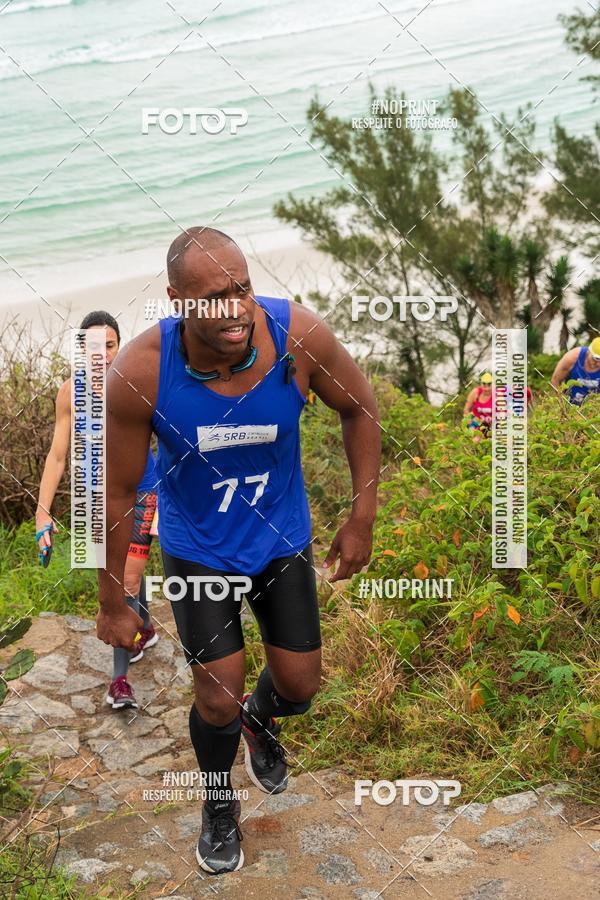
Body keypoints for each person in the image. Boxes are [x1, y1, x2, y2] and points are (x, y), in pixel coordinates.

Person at [96, 227, 381, 875]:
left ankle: (262, 718)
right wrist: (114, 597)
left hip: (280, 541)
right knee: (215, 698)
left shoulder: (297, 337)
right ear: (176, 300)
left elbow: (361, 408)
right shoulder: (141, 371)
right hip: (200, 553)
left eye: (242, 289)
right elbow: (115, 493)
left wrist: (361, 516)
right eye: (213, 298)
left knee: (300, 686)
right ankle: (219, 804)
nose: (234, 309)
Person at [36, 311, 159, 710]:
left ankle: (119, 681)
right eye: (92, 348)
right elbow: (57, 456)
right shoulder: (70, 393)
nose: (101, 355)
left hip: (142, 491)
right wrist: (42, 514)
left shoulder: (136, 385)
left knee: (127, 580)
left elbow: (174, 440)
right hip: (94, 499)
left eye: (108, 346)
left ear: (120, 346)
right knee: (114, 582)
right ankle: (146, 627)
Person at [551, 338, 600, 405]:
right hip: (569, 404)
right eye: (596, 359)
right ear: (589, 351)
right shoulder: (572, 357)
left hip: (593, 408)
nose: (598, 364)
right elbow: (555, 380)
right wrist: (560, 405)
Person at [463, 372, 493, 441]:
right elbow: (466, 409)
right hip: (475, 423)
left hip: (490, 425)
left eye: (489, 384)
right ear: (481, 384)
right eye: (484, 384)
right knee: (476, 440)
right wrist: (468, 421)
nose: (487, 388)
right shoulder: (475, 392)